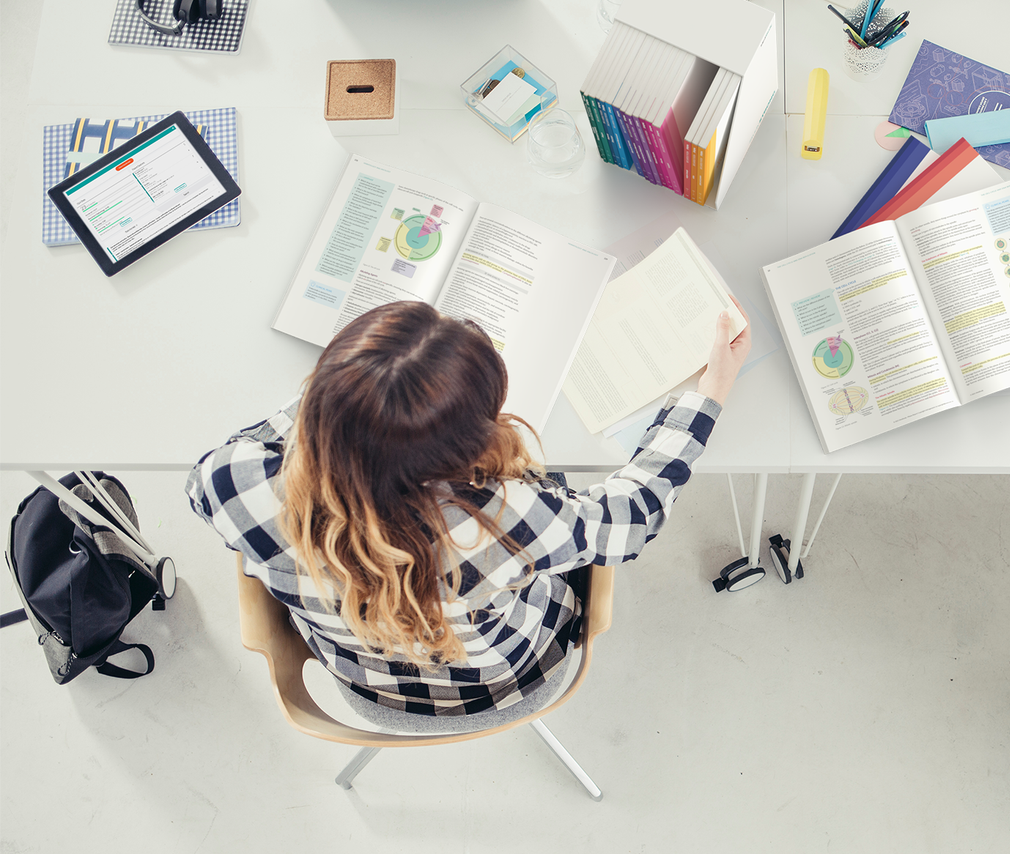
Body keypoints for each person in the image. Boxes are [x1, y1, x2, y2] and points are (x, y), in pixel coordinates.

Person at [187, 299, 750, 722]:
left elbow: (229, 464)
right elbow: (634, 514)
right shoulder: (501, 521)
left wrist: (361, 394)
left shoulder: (232, 481)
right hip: (502, 682)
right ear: (458, 449)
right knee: (564, 507)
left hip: (363, 683)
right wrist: (707, 396)